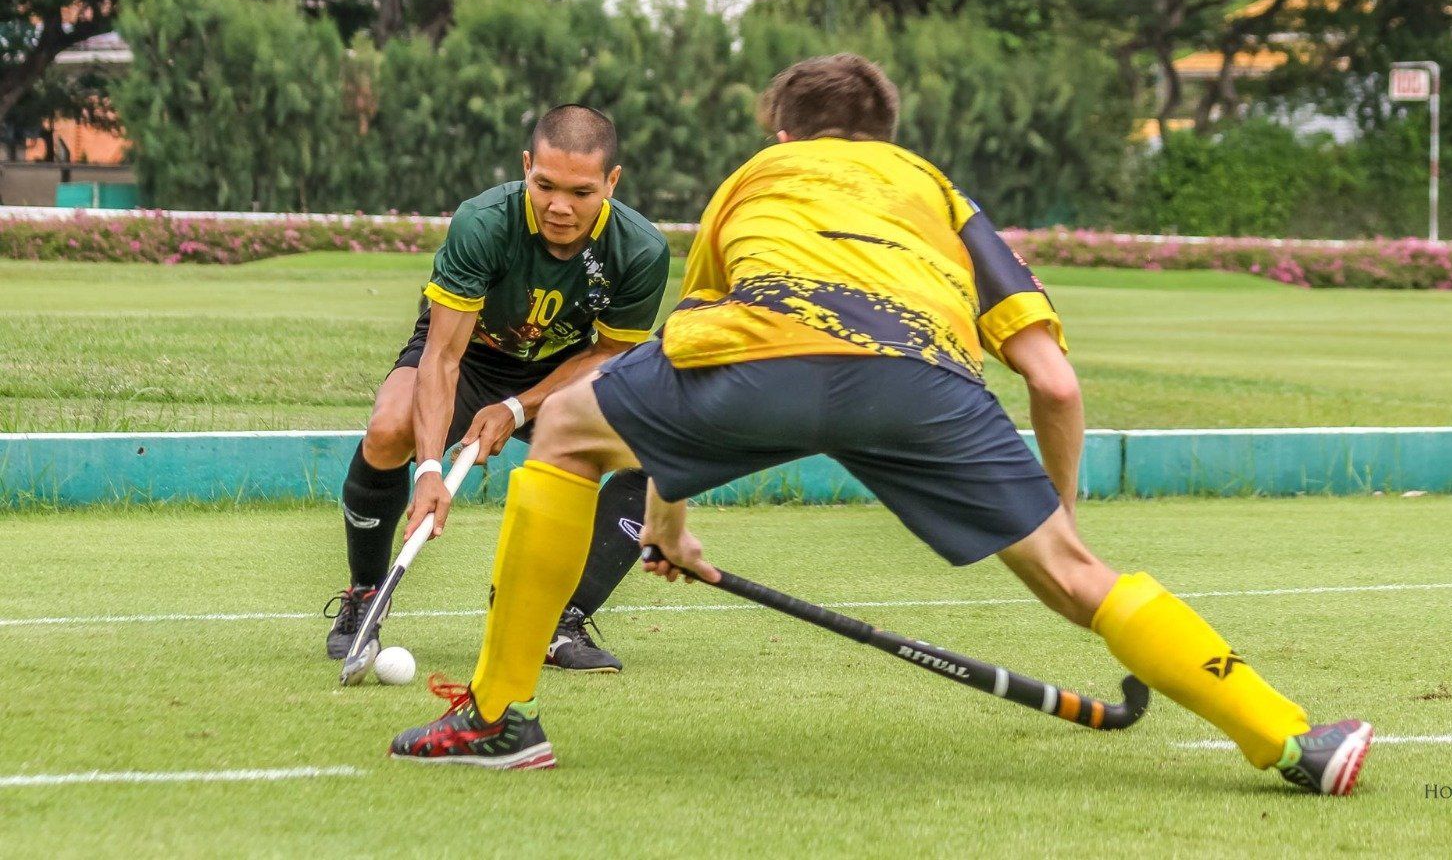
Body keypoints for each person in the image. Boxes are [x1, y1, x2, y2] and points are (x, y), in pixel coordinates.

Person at [387, 56, 1373, 795]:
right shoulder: (936, 193)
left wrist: (671, 526)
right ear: (886, 134)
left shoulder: (753, 181)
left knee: (564, 435)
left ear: (782, 132)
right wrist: (1053, 510)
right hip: (921, 380)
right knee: (1078, 579)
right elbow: (1055, 384)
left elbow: (689, 355)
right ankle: (1291, 741)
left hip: (756, 352)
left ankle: (500, 715)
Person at [324, 104, 669, 674]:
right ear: (527, 166)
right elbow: (442, 355)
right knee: (389, 429)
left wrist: (516, 408)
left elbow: (609, 354)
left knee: (654, 450)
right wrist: (430, 470)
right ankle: (365, 596)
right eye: (545, 185)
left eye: (581, 192)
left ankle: (561, 620)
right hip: (469, 356)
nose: (559, 206)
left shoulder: (640, 250)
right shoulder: (483, 222)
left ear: (612, 181)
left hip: (561, 371)